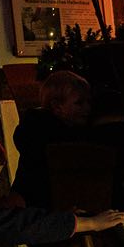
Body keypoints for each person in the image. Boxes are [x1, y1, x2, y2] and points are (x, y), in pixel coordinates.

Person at [11, 70, 94, 209]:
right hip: (40, 205)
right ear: (57, 106)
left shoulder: (36, 130)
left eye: (88, 102)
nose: (87, 108)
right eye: (79, 103)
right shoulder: (46, 136)